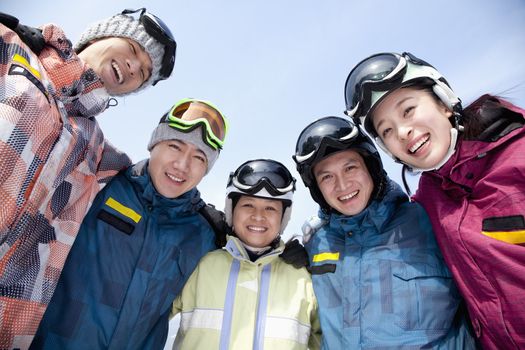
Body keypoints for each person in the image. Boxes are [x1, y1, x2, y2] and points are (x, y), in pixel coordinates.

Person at [0, 8, 176, 348]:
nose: (135, 66)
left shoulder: (100, 154)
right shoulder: (13, 51)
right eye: (134, 49)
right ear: (100, 34)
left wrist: (213, 220)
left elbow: (158, 184)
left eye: (143, 73)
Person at [344, 51, 525, 349]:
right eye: (387, 130)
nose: (403, 132)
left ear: (443, 102)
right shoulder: (428, 200)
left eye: (408, 110)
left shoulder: (517, 155)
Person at [28, 98, 227, 349]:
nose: (182, 165)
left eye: (199, 158)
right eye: (175, 146)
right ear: (153, 144)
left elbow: (256, 251)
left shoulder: (206, 233)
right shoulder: (101, 183)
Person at [293, 116, 474, 349]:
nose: (342, 184)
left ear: (371, 168)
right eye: (327, 177)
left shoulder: (430, 220)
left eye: (350, 168)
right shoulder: (316, 244)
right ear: (317, 189)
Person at [171, 159, 321, 350]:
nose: (258, 216)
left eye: (270, 208)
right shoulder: (199, 266)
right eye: (248, 205)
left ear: (283, 217)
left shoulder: (304, 279)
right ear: (232, 211)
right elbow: (142, 314)